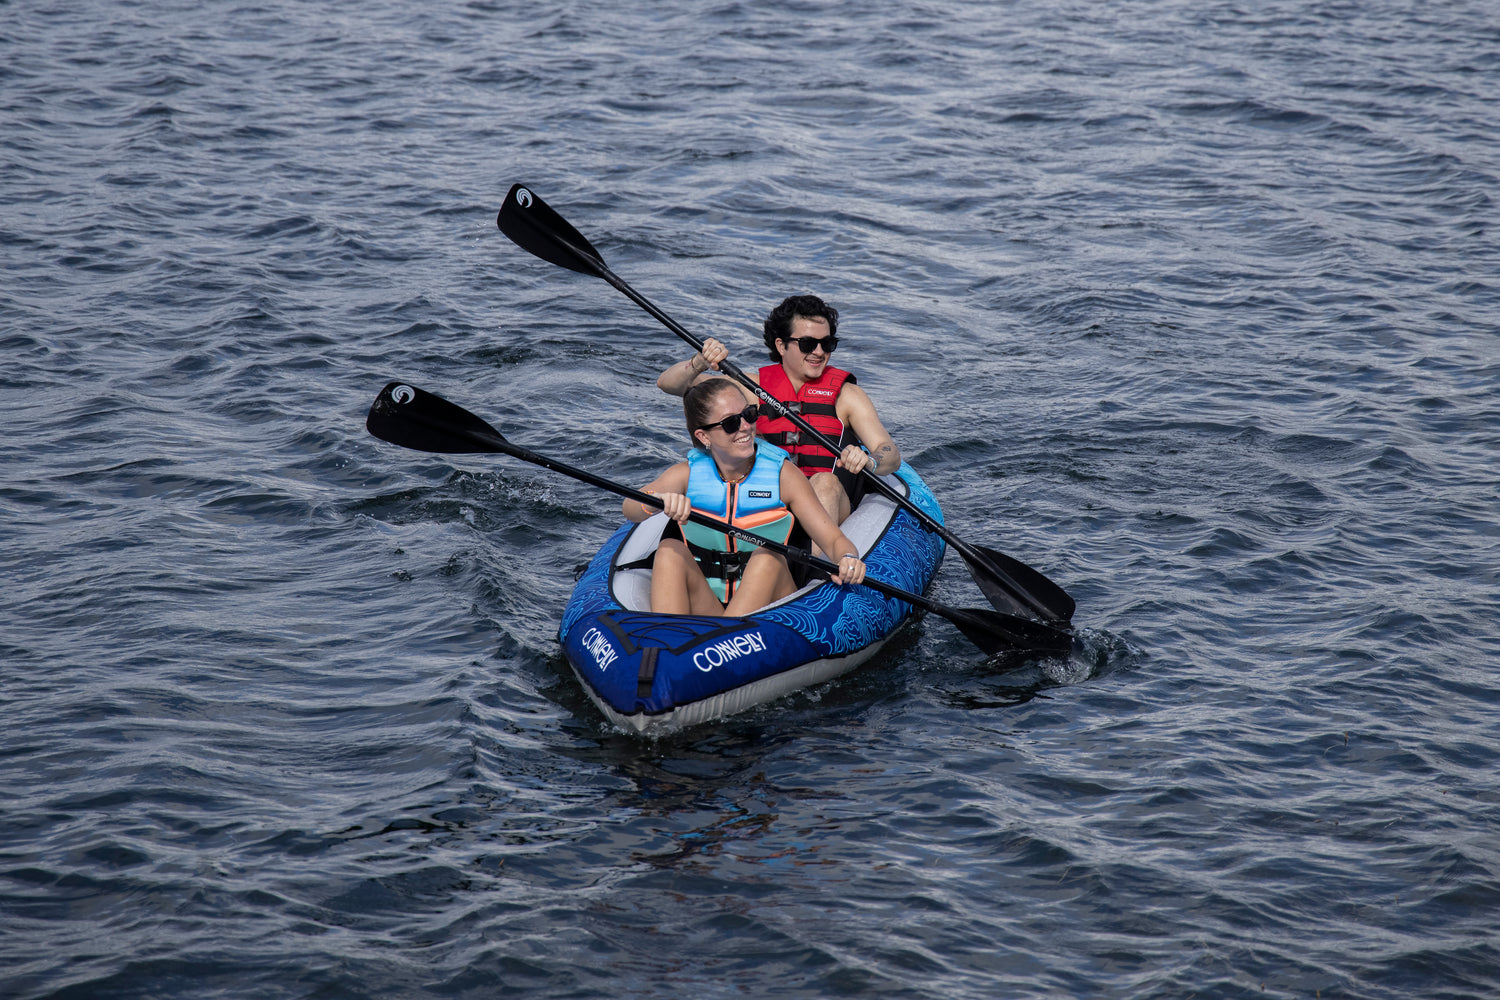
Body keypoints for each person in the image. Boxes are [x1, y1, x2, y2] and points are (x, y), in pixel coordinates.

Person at [623, 378, 868, 616]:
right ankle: (669, 638)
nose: (745, 427)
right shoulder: (686, 475)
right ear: (704, 437)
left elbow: (835, 541)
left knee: (767, 556)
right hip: (709, 603)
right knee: (668, 550)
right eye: (730, 423)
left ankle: (721, 645)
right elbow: (630, 507)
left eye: (749, 414)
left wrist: (848, 558)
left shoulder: (783, 476)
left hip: (769, 611)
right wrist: (660, 501)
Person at [656, 294, 900, 527]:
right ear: (781, 346)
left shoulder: (848, 396)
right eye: (807, 343)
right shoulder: (750, 388)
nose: (818, 352)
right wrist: (699, 362)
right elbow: (671, 385)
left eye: (827, 343)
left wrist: (868, 459)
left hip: (828, 500)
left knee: (825, 483)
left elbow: (890, 455)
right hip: (767, 497)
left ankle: (813, 568)